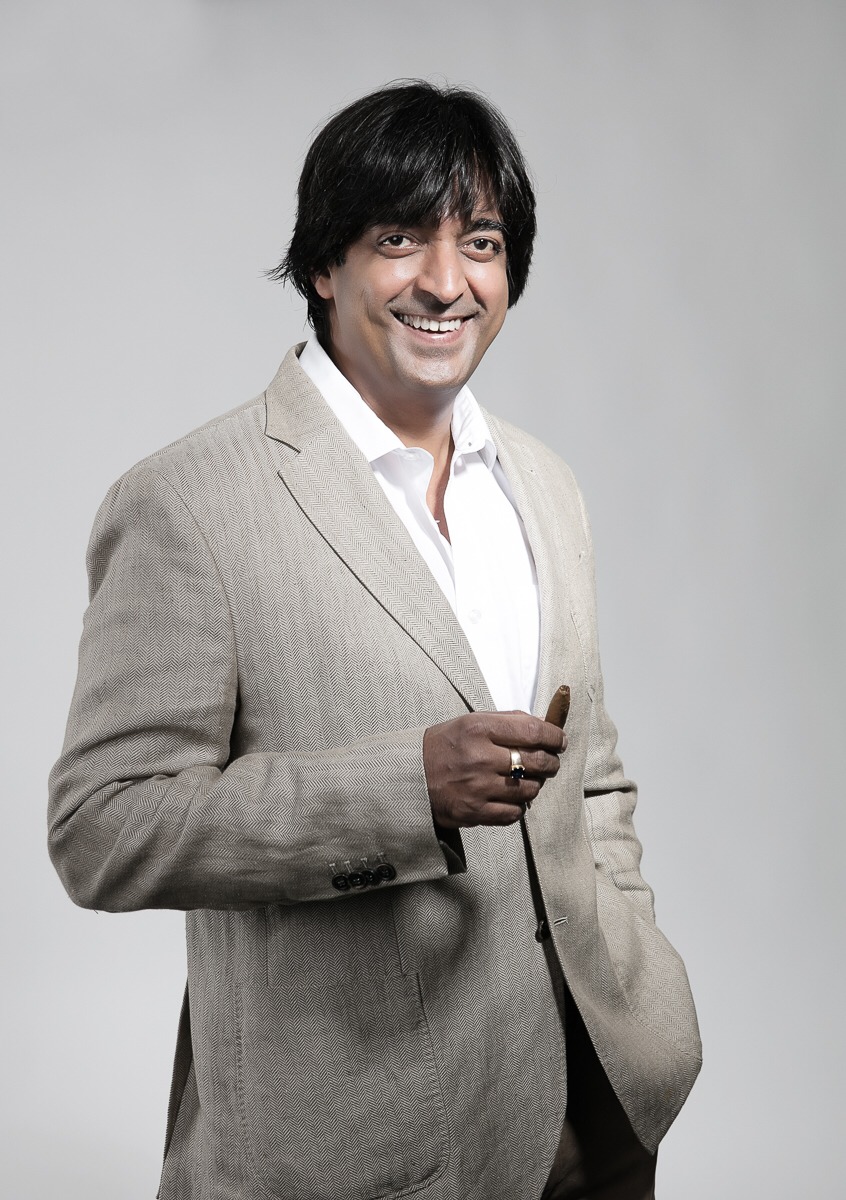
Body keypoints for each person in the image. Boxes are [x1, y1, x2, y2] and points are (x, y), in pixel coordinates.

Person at [48, 81, 701, 1200]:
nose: (446, 282)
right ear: (324, 264)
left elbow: (593, 776)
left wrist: (641, 967)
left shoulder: (546, 485)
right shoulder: (189, 503)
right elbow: (102, 828)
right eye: (400, 239)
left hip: (602, 1104)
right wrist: (407, 790)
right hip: (368, 1148)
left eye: (480, 242)